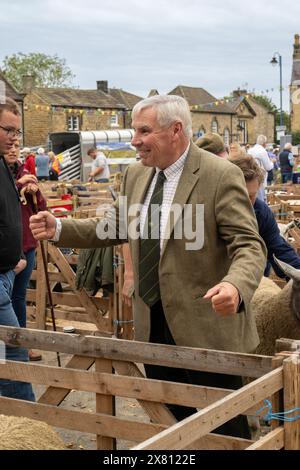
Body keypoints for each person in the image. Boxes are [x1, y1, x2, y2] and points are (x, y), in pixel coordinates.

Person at [30, 95, 266, 437]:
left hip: (208, 326)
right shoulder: (136, 175)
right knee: (171, 417)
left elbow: (249, 244)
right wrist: (61, 228)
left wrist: (235, 286)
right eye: (133, 130)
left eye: (143, 130)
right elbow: (114, 226)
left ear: (175, 130)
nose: (134, 140)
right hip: (152, 322)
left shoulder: (219, 175)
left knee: (226, 423)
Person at [0, 96, 35, 401]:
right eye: (8, 130)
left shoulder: (6, 165)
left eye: (17, 132)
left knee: (6, 351)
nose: (14, 138)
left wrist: (16, 258)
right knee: (14, 351)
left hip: (11, 267)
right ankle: (30, 427)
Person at [4, 140, 46, 361]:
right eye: (9, 145)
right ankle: (8, 350)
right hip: (6, 250)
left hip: (26, 244)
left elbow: (41, 207)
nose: (13, 150)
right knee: (5, 297)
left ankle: (23, 344)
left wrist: (34, 192)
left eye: (17, 147)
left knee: (18, 296)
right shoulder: (8, 177)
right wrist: (18, 184)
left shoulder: (26, 172)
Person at [230, 156, 300, 277]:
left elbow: (278, 248)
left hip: (252, 278)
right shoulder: (209, 210)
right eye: (241, 196)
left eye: (252, 196)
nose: (247, 203)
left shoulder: (261, 212)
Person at [248, 135, 273, 201]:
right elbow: (268, 167)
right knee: (261, 197)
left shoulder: (250, 150)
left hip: (250, 176)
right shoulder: (262, 151)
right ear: (264, 143)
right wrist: (272, 162)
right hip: (260, 177)